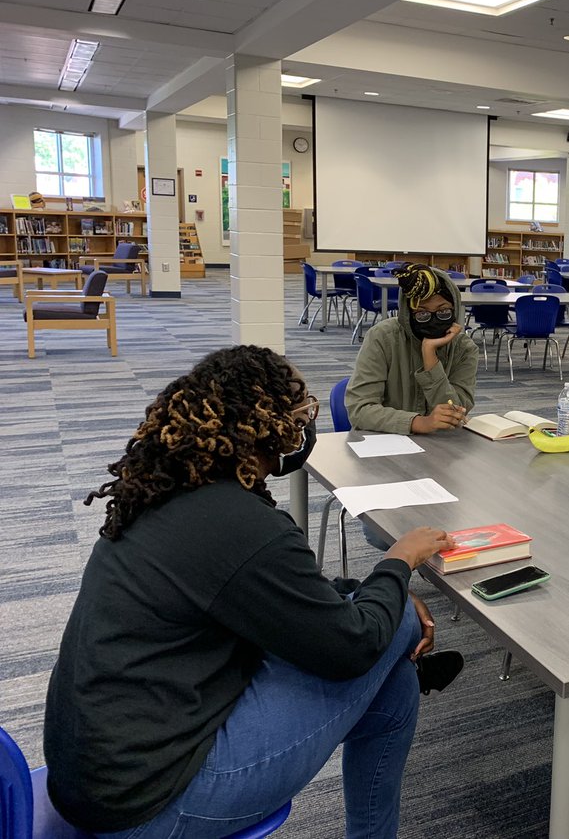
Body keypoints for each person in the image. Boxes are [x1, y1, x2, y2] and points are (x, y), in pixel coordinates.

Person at [44, 346, 462, 839]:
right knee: (396, 631)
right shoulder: (243, 525)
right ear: (263, 425)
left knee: (395, 685)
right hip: (152, 803)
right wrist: (398, 563)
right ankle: (405, 651)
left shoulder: (173, 488)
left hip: (96, 771)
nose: (306, 423)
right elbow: (352, 647)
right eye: (300, 412)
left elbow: (274, 593)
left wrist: (371, 594)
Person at [346, 263, 477, 435]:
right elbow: (360, 409)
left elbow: (455, 412)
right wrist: (418, 422)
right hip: (385, 441)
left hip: (440, 446)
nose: (433, 320)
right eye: (422, 314)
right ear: (408, 312)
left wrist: (430, 357)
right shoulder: (382, 337)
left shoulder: (463, 348)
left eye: (444, 311)